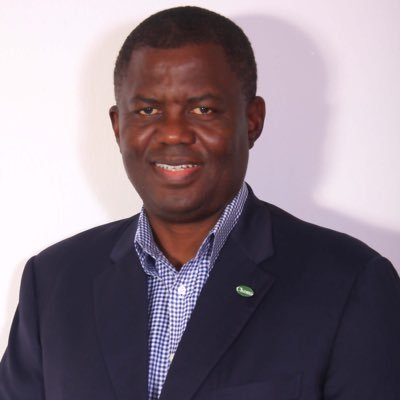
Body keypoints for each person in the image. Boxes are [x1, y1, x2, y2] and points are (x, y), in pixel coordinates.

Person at [1, 6, 399, 400]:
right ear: (118, 126)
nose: (173, 134)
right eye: (148, 110)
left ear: (252, 120)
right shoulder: (52, 282)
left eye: (203, 109)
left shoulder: (351, 283)